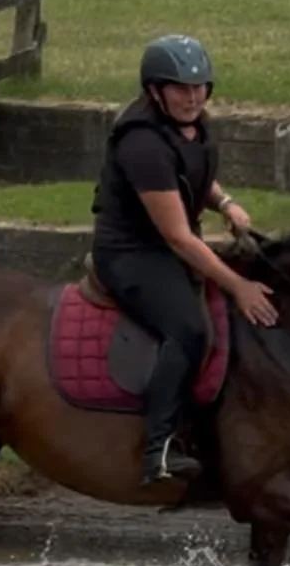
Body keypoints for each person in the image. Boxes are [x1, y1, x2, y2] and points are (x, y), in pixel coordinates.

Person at [91, 34, 279, 486]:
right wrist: (237, 285)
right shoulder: (142, 143)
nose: (193, 96)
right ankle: (157, 449)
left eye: (200, 87)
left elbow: (194, 177)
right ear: (155, 90)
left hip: (169, 244)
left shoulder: (190, 126)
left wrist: (227, 203)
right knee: (189, 329)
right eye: (180, 87)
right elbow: (177, 235)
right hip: (132, 254)